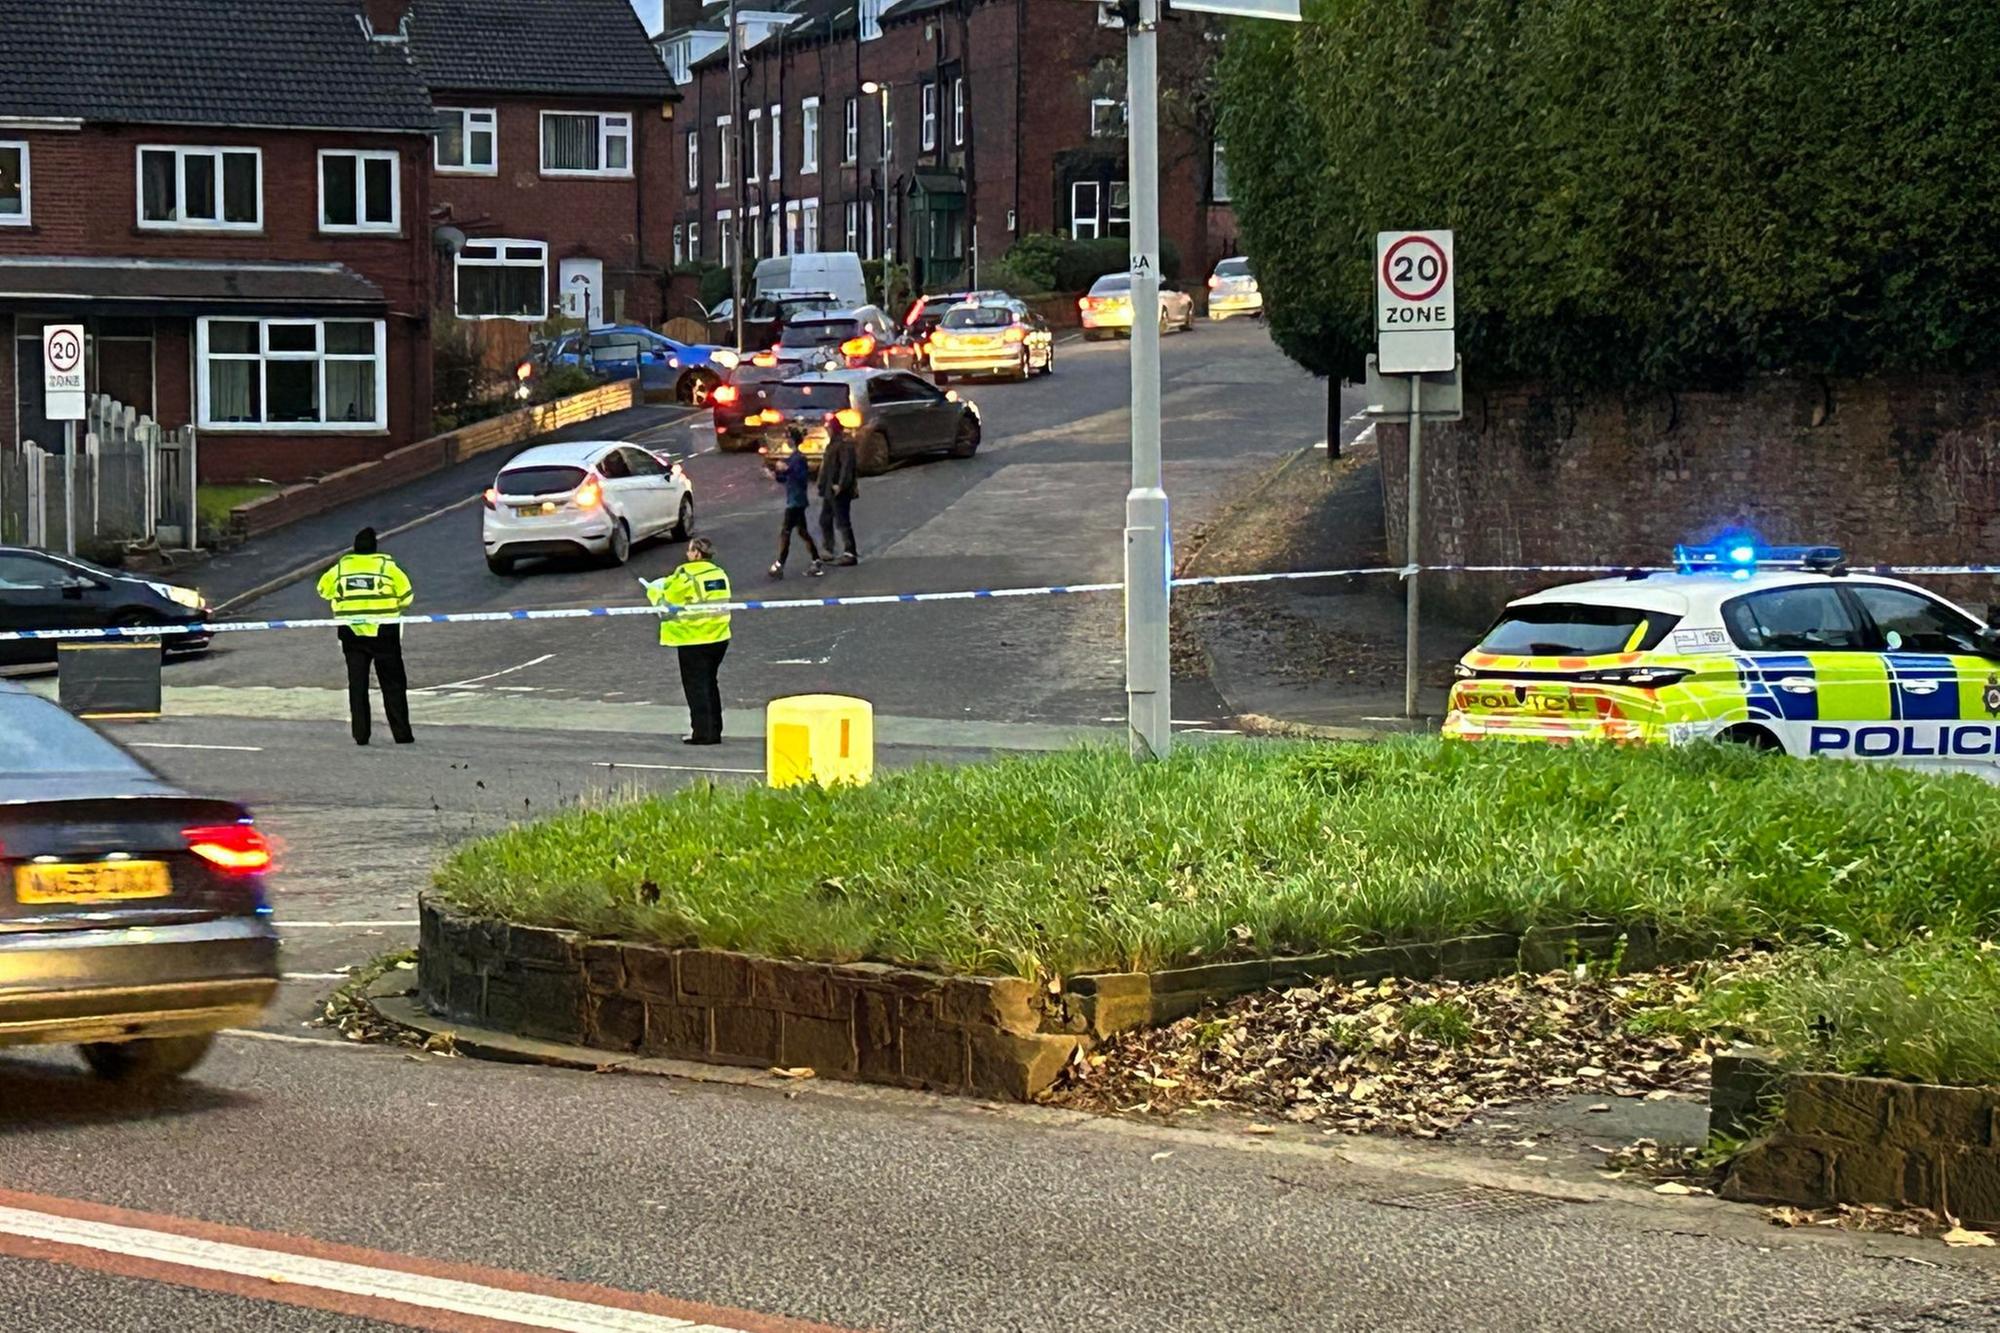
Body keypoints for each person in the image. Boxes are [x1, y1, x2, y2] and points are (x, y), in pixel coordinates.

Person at [315, 527, 415, 747]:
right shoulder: (387, 567)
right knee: (393, 684)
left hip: (352, 633)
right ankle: (402, 734)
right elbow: (407, 596)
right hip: (384, 632)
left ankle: (361, 735)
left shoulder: (340, 569)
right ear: (375, 547)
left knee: (357, 685)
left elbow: (323, 590)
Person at [645, 535, 732, 745]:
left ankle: (702, 733)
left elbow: (666, 606)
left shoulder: (685, 574)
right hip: (719, 636)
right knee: (710, 683)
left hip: (693, 638)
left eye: (689, 550)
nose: (687, 554)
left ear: (697, 553)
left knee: (696, 686)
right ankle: (714, 730)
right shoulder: (719, 574)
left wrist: (653, 591)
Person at [769, 432, 824, 579]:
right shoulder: (793, 458)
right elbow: (786, 478)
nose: (786, 442)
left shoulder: (799, 459)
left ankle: (780, 564)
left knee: (786, 531)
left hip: (796, 501)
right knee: (802, 531)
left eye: (788, 439)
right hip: (795, 500)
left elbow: (800, 477)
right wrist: (776, 474)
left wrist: (785, 469)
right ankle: (816, 559)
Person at [817, 411, 860, 565]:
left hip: (838, 490)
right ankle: (829, 549)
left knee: (842, 521)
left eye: (828, 427)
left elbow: (846, 467)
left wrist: (840, 485)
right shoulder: (833, 444)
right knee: (825, 519)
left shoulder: (843, 445)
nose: (827, 430)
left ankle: (850, 552)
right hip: (830, 489)